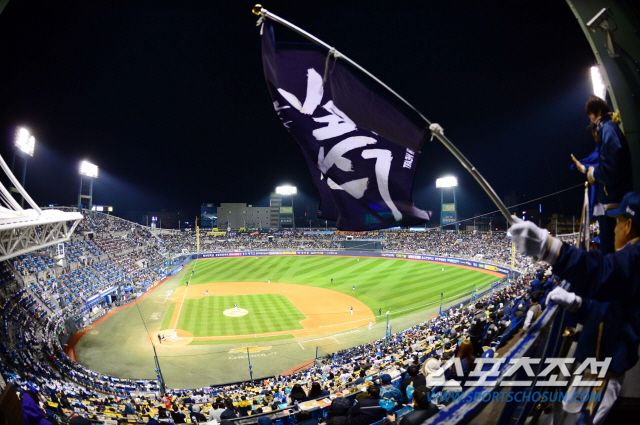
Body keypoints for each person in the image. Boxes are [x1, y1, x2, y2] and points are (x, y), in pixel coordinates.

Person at [509, 192, 640, 425]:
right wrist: (577, 304)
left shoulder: (635, 257)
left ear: (628, 225)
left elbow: (601, 273)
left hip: (603, 374)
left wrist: (549, 247)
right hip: (594, 366)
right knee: (563, 415)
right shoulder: (630, 259)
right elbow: (608, 311)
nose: (615, 229)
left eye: (618, 222)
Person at [571, 96, 632, 254]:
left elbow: (610, 169)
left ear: (598, 112)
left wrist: (593, 173)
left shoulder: (608, 128)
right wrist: (588, 171)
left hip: (614, 206)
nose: (591, 121)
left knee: (612, 254)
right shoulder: (608, 129)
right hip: (610, 206)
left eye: (590, 116)